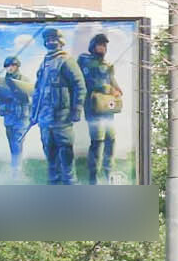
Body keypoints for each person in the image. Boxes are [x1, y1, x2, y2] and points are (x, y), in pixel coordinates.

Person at [27, 27, 84, 185]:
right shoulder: (44, 63)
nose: (51, 42)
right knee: (50, 153)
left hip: (62, 117)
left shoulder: (67, 61)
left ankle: (71, 184)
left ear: (60, 42)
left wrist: (76, 110)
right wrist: (34, 114)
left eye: (54, 39)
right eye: (48, 40)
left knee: (65, 151)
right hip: (45, 118)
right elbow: (37, 91)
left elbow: (79, 86)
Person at [77, 31, 121, 183]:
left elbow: (112, 81)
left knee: (111, 139)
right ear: (93, 46)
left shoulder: (107, 65)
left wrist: (117, 90)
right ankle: (93, 176)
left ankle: (109, 172)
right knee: (98, 141)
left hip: (107, 109)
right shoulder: (85, 60)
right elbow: (87, 81)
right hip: (93, 107)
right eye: (99, 45)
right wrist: (106, 88)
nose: (102, 48)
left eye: (104, 45)